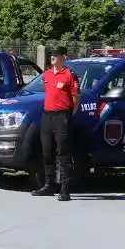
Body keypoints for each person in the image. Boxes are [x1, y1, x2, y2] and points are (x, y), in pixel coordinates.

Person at [32, 45, 80, 201]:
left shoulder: (69, 75)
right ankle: (48, 185)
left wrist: (69, 114)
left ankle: (65, 189)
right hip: (47, 116)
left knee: (63, 153)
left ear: (64, 57)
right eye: (51, 54)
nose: (53, 57)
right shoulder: (46, 75)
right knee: (47, 151)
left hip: (62, 116)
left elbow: (76, 98)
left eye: (56, 55)